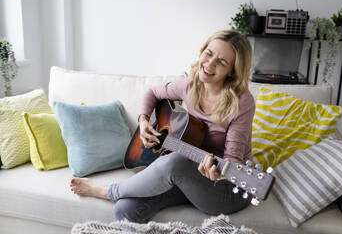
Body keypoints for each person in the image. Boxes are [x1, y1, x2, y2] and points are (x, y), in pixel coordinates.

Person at [70, 29, 255, 223]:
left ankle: (108, 191)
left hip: (227, 188)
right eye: (208, 54)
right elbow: (153, 93)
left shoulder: (241, 102)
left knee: (175, 161)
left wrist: (217, 173)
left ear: (232, 71)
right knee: (125, 210)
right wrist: (143, 121)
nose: (209, 64)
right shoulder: (190, 86)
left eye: (222, 62)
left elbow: (233, 160)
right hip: (187, 177)